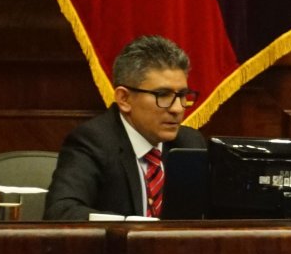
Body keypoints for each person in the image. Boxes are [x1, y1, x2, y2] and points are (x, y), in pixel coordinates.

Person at [45, 36, 205, 220]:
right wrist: (132, 228)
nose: (177, 108)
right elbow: (61, 212)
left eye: (183, 95)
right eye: (163, 95)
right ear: (124, 99)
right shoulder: (93, 141)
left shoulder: (189, 144)